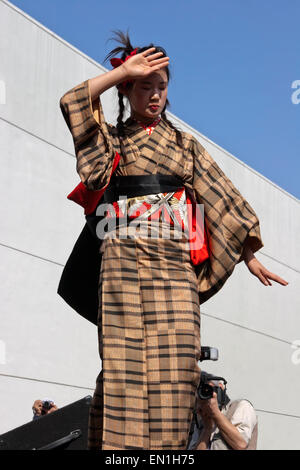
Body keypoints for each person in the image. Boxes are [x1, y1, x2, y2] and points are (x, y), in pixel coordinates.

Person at [58, 31, 288, 451]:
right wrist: (123, 71)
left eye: (162, 87)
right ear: (127, 88)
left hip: (173, 268)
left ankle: (167, 454)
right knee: (122, 367)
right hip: (121, 264)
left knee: (177, 367)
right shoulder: (113, 140)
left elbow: (222, 196)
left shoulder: (185, 145)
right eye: (146, 86)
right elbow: (73, 102)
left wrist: (249, 252)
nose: (156, 96)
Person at [188, 372, 258, 450]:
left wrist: (215, 413)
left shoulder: (240, 406)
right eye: (201, 392)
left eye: (208, 389)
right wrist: (207, 429)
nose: (205, 395)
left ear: (220, 387)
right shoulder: (201, 420)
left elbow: (241, 445)